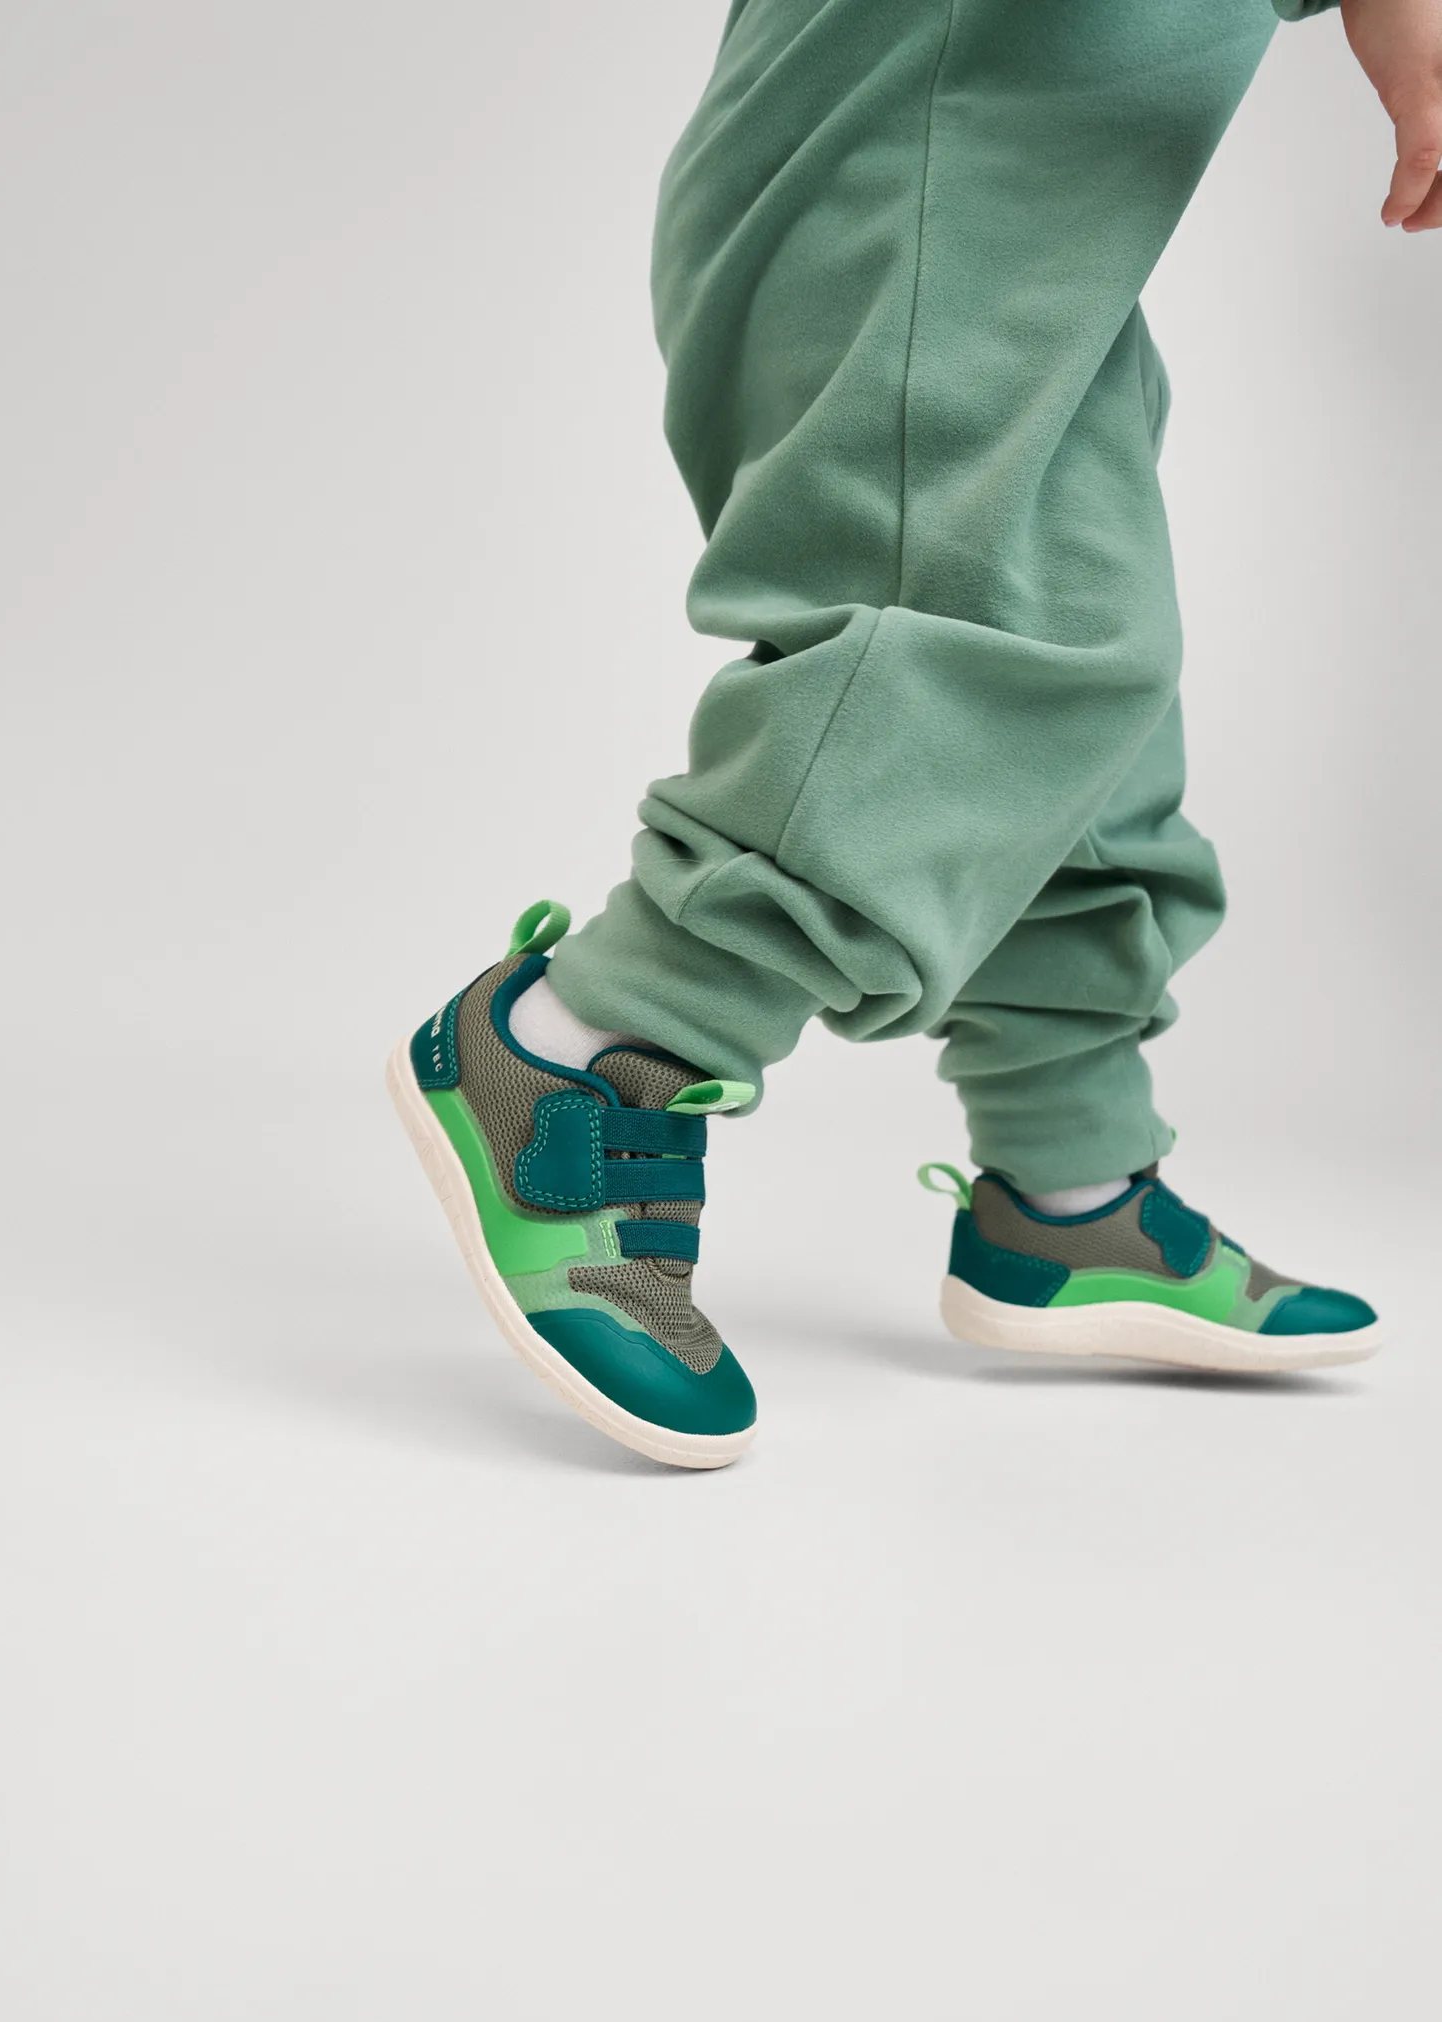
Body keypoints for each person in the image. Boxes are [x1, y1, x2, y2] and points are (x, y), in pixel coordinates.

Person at [388, 0, 1440, 1467]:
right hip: (911, 182)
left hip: (1014, 212)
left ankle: (1068, 1189)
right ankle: (592, 1043)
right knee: (989, 649)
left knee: (1085, 706)